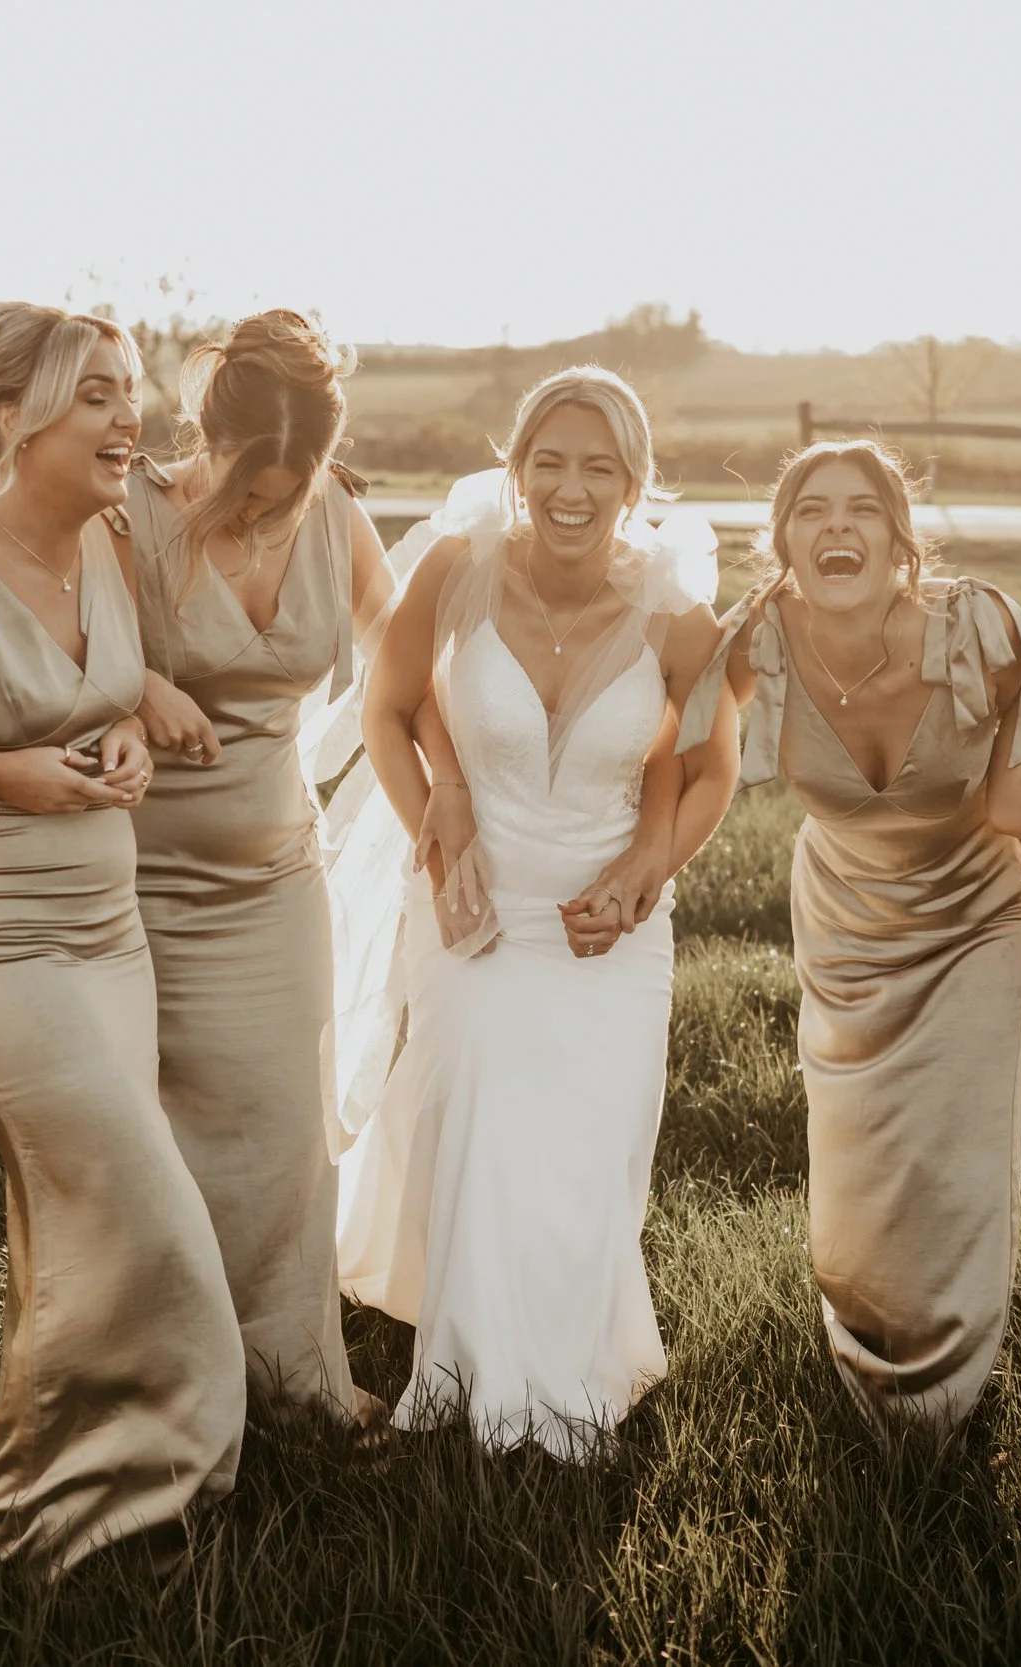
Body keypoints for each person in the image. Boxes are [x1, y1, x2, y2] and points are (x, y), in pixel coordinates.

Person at [0, 302, 245, 1571]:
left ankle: (57, 1489)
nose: (131, 416)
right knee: (146, 1198)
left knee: (78, 1212)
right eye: (96, 394)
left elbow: (97, 687)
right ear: (14, 418)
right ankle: (144, 1485)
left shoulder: (110, 540)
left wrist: (128, 725)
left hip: (106, 929)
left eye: (129, 389)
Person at [336, 366, 736, 1457]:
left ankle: (567, 1370)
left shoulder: (675, 612)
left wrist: (649, 868)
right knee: (481, 1114)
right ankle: (470, 1378)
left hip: (611, 917)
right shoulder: (458, 567)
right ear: (515, 469)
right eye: (549, 462)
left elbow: (712, 768)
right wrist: (438, 820)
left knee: (588, 1134)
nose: (571, 488)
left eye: (599, 467)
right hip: (477, 894)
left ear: (634, 482)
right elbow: (385, 708)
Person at [672, 439, 1021, 1430]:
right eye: (812, 509)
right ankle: (869, 1359)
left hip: (979, 906)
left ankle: (949, 1395)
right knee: (859, 1163)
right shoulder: (758, 642)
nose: (837, 526)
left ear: (899, 539)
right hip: (848, 916)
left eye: (862, 510)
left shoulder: (970, 627)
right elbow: (679, 752)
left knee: (955, 1154)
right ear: (782, 540)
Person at [112, 310, 395, 1417]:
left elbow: (406, 657)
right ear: (207, 433)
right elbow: (42, 644)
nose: (265, 509)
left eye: (289, 489)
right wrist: (139, 683)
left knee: (286, 1130)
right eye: (246, 487)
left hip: (277, 878)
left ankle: (295, 1379)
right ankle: (168, 1377)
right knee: (156, 1134)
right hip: (135, 880)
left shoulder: (336, 515)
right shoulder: (127, 513)